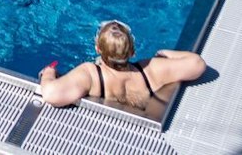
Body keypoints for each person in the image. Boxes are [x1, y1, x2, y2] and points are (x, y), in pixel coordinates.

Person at [36, 20, 206, 120]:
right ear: (132, 52)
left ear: (97, 49)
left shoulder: (91, 75)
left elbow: (51, 95)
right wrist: (165, 53)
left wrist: (49, 73)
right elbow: (197, 64)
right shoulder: (150, 70)